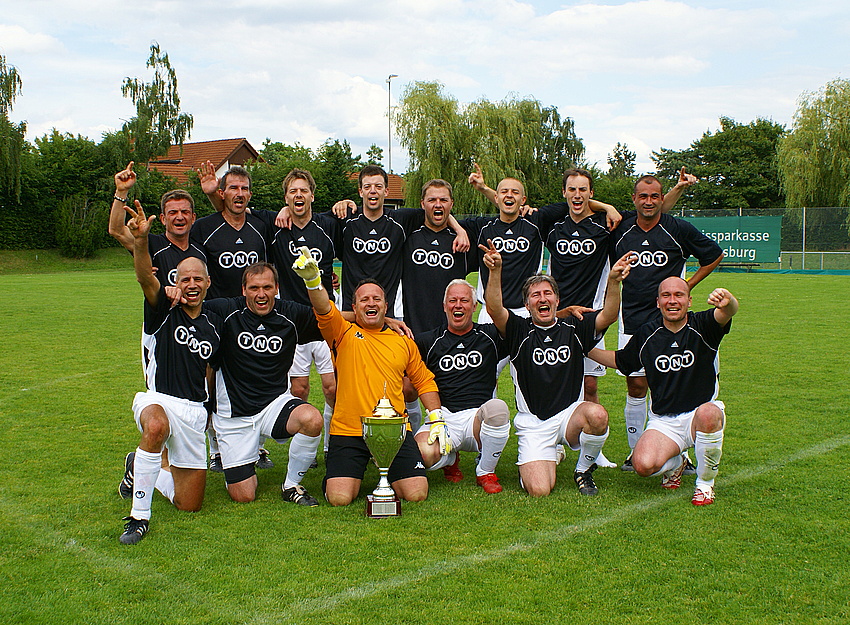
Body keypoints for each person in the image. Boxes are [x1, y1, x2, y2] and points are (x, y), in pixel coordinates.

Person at [291, 247, 446, 507]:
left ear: (386, 307)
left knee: (416, 493)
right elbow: (324, 309)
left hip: (394, 430)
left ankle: (388, 470)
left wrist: (437, 417)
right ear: (353, 307)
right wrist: (313, 282)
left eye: (377, 299)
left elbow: (423, 380)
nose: (370, 303)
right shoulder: (342, 333)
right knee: (339, 498)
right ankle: (341, 473)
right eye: (364, 299)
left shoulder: (403, 341)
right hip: (348, 430)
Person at [481, 239, 633, 497]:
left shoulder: (575, 328)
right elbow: (495, 309)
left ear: (557, 299)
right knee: (540, 490)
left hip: (568, 417)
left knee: (597, 415)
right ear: (527, 305)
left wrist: (614, 282)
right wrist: (495, 272)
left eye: (547, 293)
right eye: (535, 295)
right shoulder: (519, 330)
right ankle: (541, 459)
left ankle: (583, 469)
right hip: (534, 423)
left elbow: (608, 315)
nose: (543, 298)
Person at [117, 201, 222, 545]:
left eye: (197, 279)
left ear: (208, 283)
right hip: (158, 399)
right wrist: (142, 241)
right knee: (157, 426)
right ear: (175, 281)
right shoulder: (162, 307)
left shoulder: (214, 323)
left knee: (189, 504)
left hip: (193, 412)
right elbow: (145, 276)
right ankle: (138, 517)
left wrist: (209, 412)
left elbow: (209, 370)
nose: (191, 284)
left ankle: (140, 467)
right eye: (184, 278)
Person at [589, 277, 738, 505]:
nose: (672, 301)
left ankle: (705, 484)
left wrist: (727, 301)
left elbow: (727, 312)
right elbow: (621, 360)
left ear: (689, 300)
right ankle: (677, 464)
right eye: (666, 296)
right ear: (658, 302)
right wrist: (584, 348)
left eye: (679, 295)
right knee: (643, 466)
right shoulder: (648, 333)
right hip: (664, 422)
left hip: (699, 415)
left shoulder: (703, 325)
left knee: (710, 412)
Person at [612, 175, 723, 469]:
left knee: (677, 382)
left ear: (662, 199)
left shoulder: (677, 228)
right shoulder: (621, 227)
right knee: (636, 385)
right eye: (643, 196)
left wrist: (687, 285)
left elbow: (713, 255)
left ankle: (681, 451)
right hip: (634, 317)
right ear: (634, 199)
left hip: (674, 318)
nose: (649, 202)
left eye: (655, 196)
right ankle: (636, 449)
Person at [203, 262, 325, 505]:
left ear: (277, 288)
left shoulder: (289, 314)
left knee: (312, 419)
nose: (261, 294)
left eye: (267, 287)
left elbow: (332, 320)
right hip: (233, 416)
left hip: (273, 405)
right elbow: (188, 309)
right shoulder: (224, 311)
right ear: (244, 290)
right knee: (244, 495)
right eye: (254, 288)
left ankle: (291, 485)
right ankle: (238, 461)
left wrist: (379, 317)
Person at [193, 164, 274, 470]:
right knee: (211, 383)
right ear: (223, 193)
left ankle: (258, 446)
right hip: (215, 317)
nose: (239, 194)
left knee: (255, 377)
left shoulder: (260, 226)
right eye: (233, 188)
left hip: (253, 316)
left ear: (250, 194)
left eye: (244, 189)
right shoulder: (205, 227)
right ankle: (215, 448)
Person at [414, 279, 510, 493]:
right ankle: (449, 460)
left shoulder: (490, 336)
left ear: (475, 306)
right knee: (420, 455)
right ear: (444, 306)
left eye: (465, 300)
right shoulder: (427, 341)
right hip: (443, 418)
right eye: (452, 300)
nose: (458, 305)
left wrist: (562, 314)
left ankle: (485, 471)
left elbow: (529, 329)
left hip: (478, 419)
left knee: (498, 408)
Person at [108, 161, 206, 286]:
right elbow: (117, 231)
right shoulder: (149, 244)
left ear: (193, 218)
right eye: (173, 212)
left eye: (185, 212)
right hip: (160, 306)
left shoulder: (202, 249)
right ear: (163, 219)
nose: (179, 217)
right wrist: (121, 191)